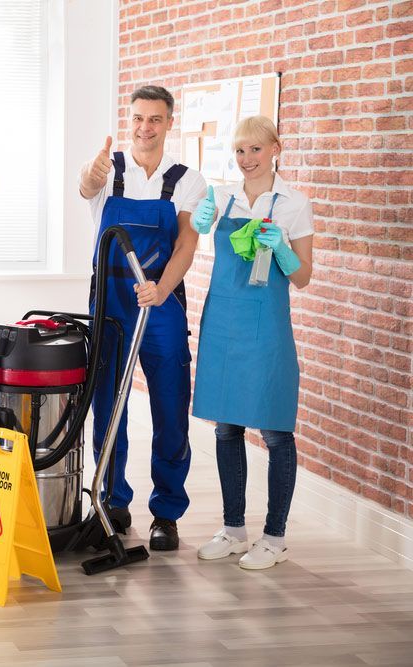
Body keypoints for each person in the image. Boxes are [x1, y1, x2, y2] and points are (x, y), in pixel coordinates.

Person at [78, 85, 207, 551]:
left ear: (169, 122)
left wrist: (162, 289)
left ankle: (166, 513)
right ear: (128, 119)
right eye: (137, 118)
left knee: (170, 404)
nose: (144, 127)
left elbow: (187, 242)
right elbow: (86, 186)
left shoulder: (188, 179)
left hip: (160, 298)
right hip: (110, 301)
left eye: (154, 119)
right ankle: (111, 501)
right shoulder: (109, 169)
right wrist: (90, 175)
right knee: (108, 403)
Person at [192, 115, 314, 570]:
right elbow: (198, 237)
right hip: (223, 320)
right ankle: (234, 529)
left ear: (276, 149)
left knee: (277, 430)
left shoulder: (294, 204)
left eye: (256, 150)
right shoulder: (220, 198)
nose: (247, 160)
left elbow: (302, 277)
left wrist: (282, 248)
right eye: (240, 150)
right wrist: (199, 221)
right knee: (226, 428)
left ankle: (275, 536)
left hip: (266, 326)